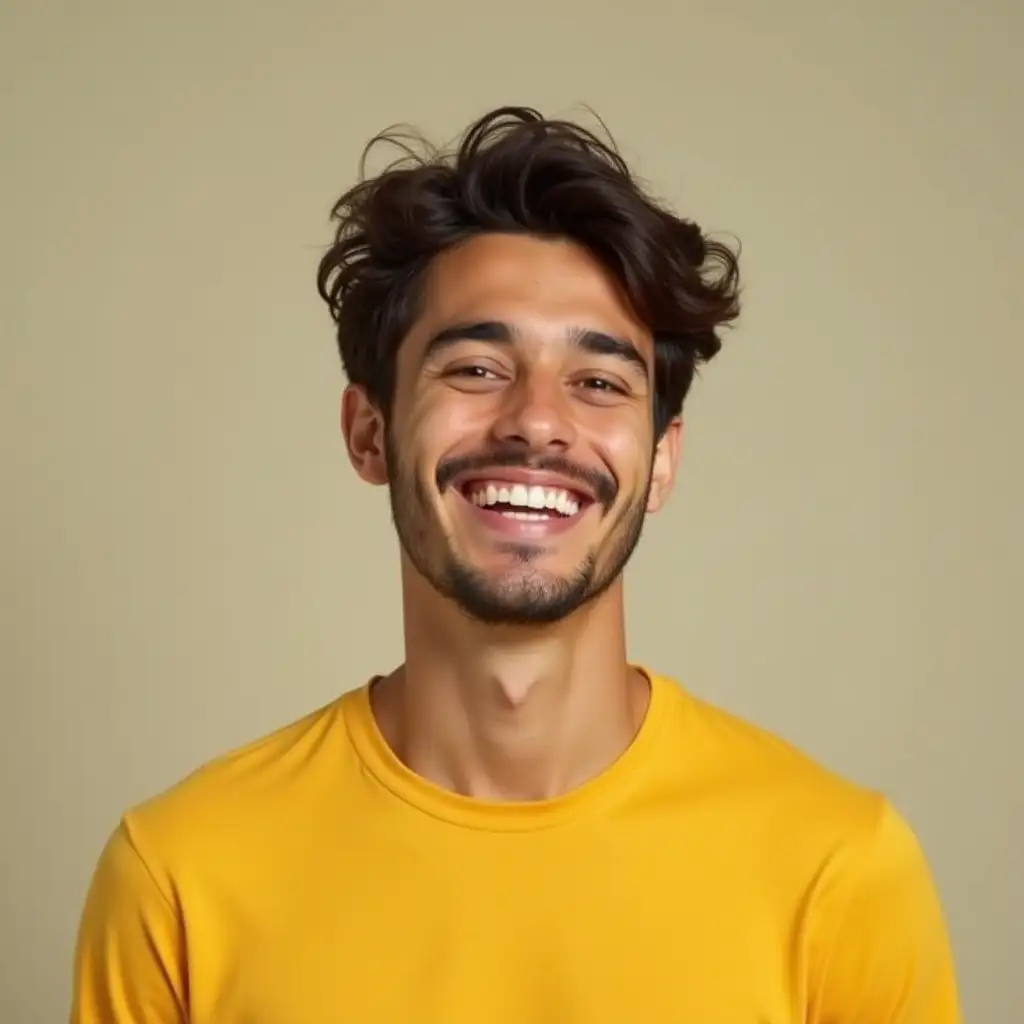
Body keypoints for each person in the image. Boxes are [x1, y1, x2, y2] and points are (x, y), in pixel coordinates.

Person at [70, 106, 961, 1023]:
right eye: (476, 369)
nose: (537, 421)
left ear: (661, 461)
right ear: (369, 432)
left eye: (600, 382)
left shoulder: (840, 873)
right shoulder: (179, 877)